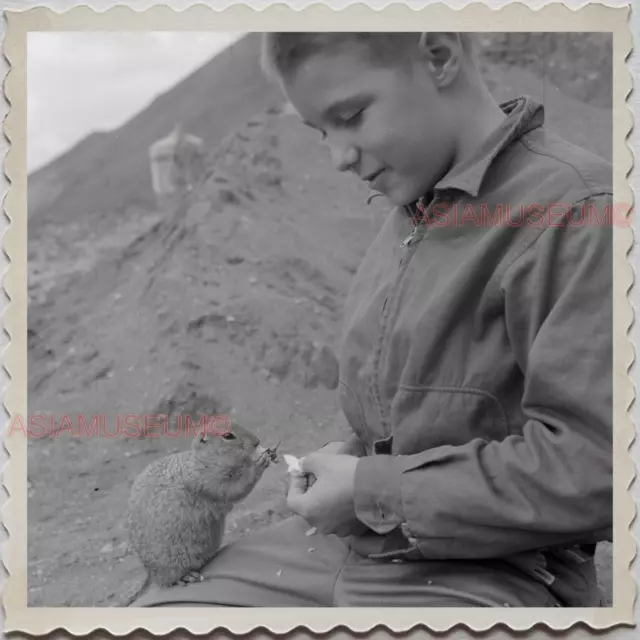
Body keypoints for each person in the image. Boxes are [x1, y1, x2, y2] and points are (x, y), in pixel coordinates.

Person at [132, 32, 613, 608]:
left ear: (438, 57)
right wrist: (354, 455)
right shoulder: (406, 213)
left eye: (351, 116)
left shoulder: (582, 214)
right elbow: (421, 415)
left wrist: (375, 490)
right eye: (320, 133)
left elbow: (601, 469)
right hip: (353, 544)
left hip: (499, 572)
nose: (337, 157)